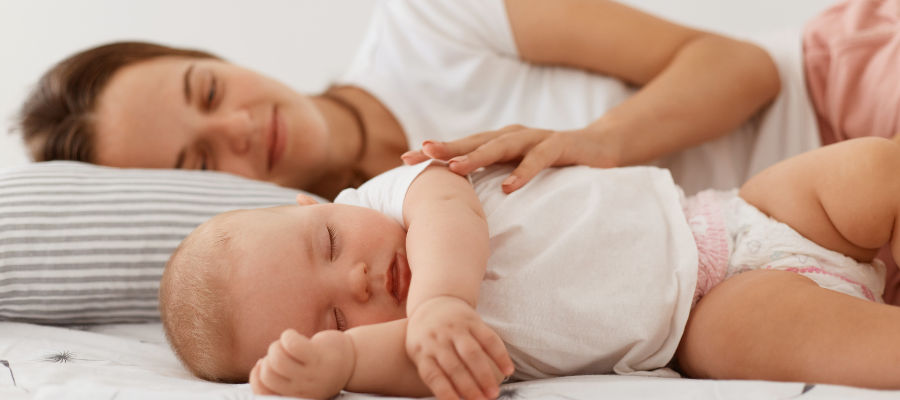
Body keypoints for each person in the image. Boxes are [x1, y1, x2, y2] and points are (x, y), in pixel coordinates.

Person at [161, 136, 900, 400]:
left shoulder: (400, 193)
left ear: (313, 203)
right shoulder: (427, 344)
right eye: (330, 316)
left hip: (732, 215)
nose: (353, 280)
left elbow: (449, 212)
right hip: (704, 316)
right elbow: (422, 370)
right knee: (808, 338)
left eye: (326, 244)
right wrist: (343, 362)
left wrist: (443, 299)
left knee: (872, 170)